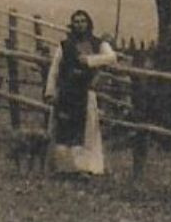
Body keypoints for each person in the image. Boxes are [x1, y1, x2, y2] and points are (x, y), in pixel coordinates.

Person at [44, 9, 117, 175]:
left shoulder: (97, 43)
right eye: (76, 22)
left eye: (83, 21)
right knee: (63, 129)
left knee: (86, 131)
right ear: (72, 25)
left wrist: (91, 60)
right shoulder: (65, 45)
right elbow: (55, 68)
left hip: (85, 93)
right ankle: (64, 167)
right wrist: (50, 92)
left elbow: (112, 57)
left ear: (88, 23)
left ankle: (85, 167)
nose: (80, 24)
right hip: (66, 93)